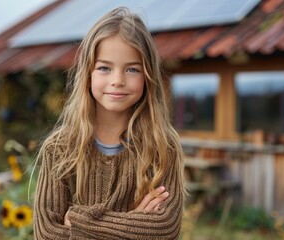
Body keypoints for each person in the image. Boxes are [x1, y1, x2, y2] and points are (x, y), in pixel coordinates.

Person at [33, 6, 186, 239]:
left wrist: (77, 220)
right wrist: (134, 225)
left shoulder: (162, 147)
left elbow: (163, 229)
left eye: (132, 69)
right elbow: (46, 233)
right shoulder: (60, 149)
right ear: (88, 73)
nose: (118, 81)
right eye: (104, 68)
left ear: (148, 77)